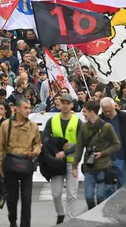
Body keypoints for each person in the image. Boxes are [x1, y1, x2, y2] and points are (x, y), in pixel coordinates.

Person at [0, 98, 41, 227]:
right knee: (12, 198)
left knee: (27, 199)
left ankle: (25, 224)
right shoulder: (6, 125)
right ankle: (13, 221)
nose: (28, 110)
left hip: (26, 165)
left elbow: (38, 143)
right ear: (17, 109)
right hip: (11, 165)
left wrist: (36, 151)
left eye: (29, 108)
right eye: (25, 108)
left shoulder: (33, 126)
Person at [73, 100, 121, 209]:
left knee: (100, 196)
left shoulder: (107, 127)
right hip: (89, 167)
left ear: (91, 112)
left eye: (85, 111)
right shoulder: (84, 127)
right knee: (89, 197)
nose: (83, 114)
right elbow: (79, 147)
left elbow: (116, 144)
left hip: (103, 167)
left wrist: (103, 153)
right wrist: (74, 165)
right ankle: (92, 211)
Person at [41, 93, 79, 224]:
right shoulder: (52, 120)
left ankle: (70, 220)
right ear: (59, 104)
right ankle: (61, 214)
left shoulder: (77, 121)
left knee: (71, 195)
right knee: (56, 194)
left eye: (67, 103)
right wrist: (57, 147)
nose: (65, 105)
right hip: (56, 162)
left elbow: (81, 142)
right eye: (63, 102)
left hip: (71, 162)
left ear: (72, 105)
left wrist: (67, 151)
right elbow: (44, 138)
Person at [99, 96, 126, 187]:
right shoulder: (100, 120)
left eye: (109, 110)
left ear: (114, 107)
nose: (107, 113)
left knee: (123, 185)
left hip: (121, 156)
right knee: (108, 188)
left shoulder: (124, 117)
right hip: (106, 158)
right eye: (105, 111)